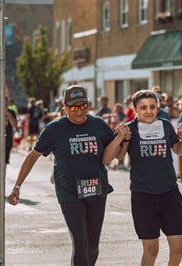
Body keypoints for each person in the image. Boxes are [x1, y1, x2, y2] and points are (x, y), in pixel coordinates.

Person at [8, 85, 131, 265]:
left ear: (89, 105)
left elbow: (116, 157)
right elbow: (32, 156)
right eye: (73, 107)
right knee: (81, 244)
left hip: (97, 189)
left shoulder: (99, 125)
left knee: (93, 246)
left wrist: (124, 139)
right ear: (64, 107)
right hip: (69, 192)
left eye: (83, 106)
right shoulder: (54, 129)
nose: (79, 111)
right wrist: (17, 186)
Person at [117, 90, 182, 266]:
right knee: (151, 250)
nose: (149, 111)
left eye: (152, 107)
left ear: (158, 107)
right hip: (143, 196)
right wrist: (124, 139)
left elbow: (178, 150)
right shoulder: (130, 129)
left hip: (169, 193)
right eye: (143, 108)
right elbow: (119, 157)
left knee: (178, 247)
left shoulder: (165, 125)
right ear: (134, 109)